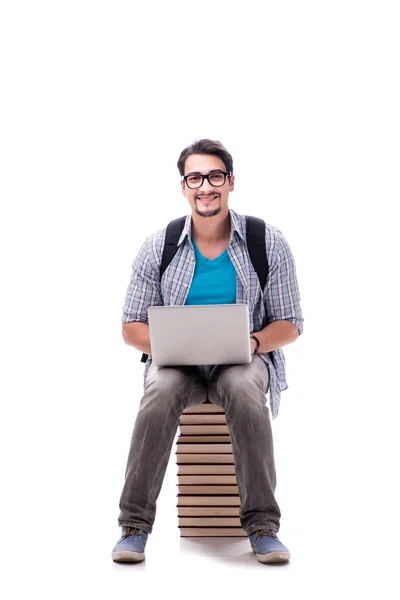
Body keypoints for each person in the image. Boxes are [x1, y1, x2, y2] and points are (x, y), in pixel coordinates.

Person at [112, 139, 303, 564]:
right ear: (184, 186)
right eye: (195, 177)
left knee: (243, 388)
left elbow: (291, 323)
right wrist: (170, 342)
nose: (206, 187)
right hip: (177, 364)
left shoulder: (265, 241)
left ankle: (263, 527)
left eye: (215, 176)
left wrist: (251, 343)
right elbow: (129, 327)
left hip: (242, 359)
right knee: (160, 390)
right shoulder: (157, 246)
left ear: (230, 182)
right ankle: (133, 527)